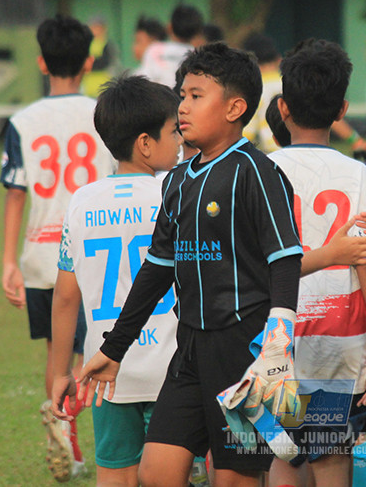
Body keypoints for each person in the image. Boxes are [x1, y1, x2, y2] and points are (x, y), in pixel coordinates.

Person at [76, 42, 305, 487]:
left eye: (196, 96)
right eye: (182, 95)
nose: (182, 106)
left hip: (244, 349)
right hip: (189, 349)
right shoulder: (177, 181)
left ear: (235, 108)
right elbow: (157, 269)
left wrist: (278, 340)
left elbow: (285, 257)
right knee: (156, 471)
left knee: (234, 479)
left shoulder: (256, 171)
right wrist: (114, 348)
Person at [49, 74, 182, 487]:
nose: (180, 140)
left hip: (105, 370)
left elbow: (65, 297)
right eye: (174, 131)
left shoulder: (82, 201)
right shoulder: (176, 193)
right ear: (145, 143)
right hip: (171, 368)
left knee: (115, 475)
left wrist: (60, 372)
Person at [267, 39, 366, 487]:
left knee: (283, 456)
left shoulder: (261, 168)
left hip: (277, 338)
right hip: (341, 341)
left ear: (282, 108)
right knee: (333, 460)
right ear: (341, 111)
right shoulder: (358, 174)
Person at [0, 14, 116, 481]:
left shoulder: (21, 122)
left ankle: (65, 433)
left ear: (41, 63)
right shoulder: (105, 113)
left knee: (57, 351)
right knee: (105, 349)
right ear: (89, 61)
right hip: (98, 248)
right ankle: (111, 444)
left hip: (42, 253)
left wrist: (9, 261)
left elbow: (15, 193)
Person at [138, 4, 200, 88]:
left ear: (169, 27)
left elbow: (143, 80)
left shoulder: (155, 50)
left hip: (160, 95)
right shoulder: (197, 56)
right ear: (197, 32)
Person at [242, 32, 283, 154]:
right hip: (297, 150)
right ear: (278, 59)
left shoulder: (254, 88)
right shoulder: (290, 83)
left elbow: (247, 133)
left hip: (271, 152)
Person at [82, 16, 120, 97]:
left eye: (98, 28)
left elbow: (106, 62)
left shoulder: (107, 45)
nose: (95, 30)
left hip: (104, 85)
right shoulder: (86, 44)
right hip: (89, 86)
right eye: (93, 27)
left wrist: (90, 63)